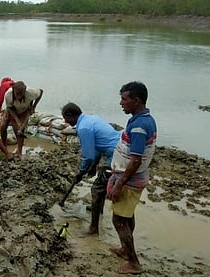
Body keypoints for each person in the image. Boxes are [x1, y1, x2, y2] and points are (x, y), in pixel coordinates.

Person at [106, 81, 156, 274]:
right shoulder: (141, 119)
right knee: (127, 216)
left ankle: (134, 262)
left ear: (136, 101)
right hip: (134, 178)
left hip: (129, 180)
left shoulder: (139, 126)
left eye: (124, 99)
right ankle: (125, 249)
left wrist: (119, 183)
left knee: (119, 220)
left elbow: (135, 160)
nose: (121, 103)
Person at [61, 103, 120, 236]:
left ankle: (93, 229)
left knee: (96, 190)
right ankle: (99, 211)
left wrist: (81, 173)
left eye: (65, 118)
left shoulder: (84, 128)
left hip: (114, 156)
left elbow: (88, 156)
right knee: (102, 185)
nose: (65, 121)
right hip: (115, 151)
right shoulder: (91, 119)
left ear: (70, 116)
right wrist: (93, 166)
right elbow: (98, 146)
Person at [0, 81, 43, 157]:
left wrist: (34, 106)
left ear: (25, 90)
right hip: (11, 109)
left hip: (24, 109)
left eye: (21, 93)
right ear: (13, 90)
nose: (19, 96)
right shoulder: (8, 95)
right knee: (3, 126)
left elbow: (41, 91)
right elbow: (10, 108)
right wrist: (17, 120)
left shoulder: (31, 92)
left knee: (20, 129)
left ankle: (19, 151)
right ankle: (4, 148)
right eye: (17, 93)